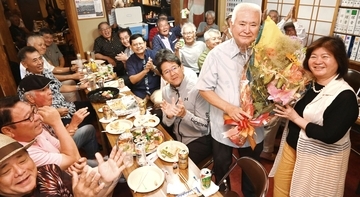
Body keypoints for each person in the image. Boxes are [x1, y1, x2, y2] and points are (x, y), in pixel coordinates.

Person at [269, 36, 358, 196]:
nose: (318, 61)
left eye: (325, 56)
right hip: (291, 148)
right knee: (281, 190)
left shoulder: (345, 96)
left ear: (339, 61)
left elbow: (329, 135)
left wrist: (295, 117)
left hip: (318, 160)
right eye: (314, 56)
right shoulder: (307, 84)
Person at [196, 3, 264, 196]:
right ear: (231, 25)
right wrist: (230, 108)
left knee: (251, 172)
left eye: (253, 24)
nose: (247, 29)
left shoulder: (264, 54)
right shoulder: (217, 54)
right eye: (242, 24)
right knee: (222, 170)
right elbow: (204, 88)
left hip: (254, 128)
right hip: (224, 127)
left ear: (260, 27)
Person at [0, 133, 126, 197]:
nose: (20, 171)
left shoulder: (49, 172)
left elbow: (91, 194)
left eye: (22, 160)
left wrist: (107, 182)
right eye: (5, 170)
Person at [19, 75, 99, 167]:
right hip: (61, 160)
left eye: (48, 88)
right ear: (30, 98)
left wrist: (68, 128)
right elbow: (61, 150)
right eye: (43, 90)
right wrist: (73, 124)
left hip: (60, 147)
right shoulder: (34, 119)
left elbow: (57, 141)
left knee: (89, 129)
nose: (50, 92)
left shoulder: (44, 109)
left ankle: (95, 160)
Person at [155, 49, 212, 165]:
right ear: (163, 77)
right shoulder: (166, 91)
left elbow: (205, 128)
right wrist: (170, 117)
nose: (172, 73)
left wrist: (185, 115)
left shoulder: (197, 89)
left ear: (182, 67)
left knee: (178, 165)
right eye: (166, 71)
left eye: (174, 68)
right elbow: (167, 123)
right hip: (178, 138)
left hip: (199, 139)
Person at [17, 46, 96, 126]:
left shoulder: (45, 72)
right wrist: (55, 111)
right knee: (86, 127)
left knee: (94, 106)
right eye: (35, 60)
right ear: (25, 64)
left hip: (67, 107)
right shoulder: (26, 85)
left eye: (40, 58)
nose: (40, 62)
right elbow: (30, 112)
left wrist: (80, 87)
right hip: (57, 118)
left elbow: (59, 87)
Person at [0, 96, 80, 170]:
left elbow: (62, 148)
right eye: (29, 117)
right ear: (8, 131)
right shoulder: (25, 154)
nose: (38, 117)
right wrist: (57, 123)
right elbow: (73, 159)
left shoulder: (35, 132)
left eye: (33, 111)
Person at [21, 34, 82, 103]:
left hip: (58, 99)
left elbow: (53, 71)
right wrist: (72, 76)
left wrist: (71, 69)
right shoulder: (29, 76)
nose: (44, 47)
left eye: (44, 45)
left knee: (73, 83)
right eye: (40, 45)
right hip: (54, 102)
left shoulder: (41, 58)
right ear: (29, 45)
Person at [126, 34, 162, 106]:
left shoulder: (154, 54)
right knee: (133, 106)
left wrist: (153, 68)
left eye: (140, 43)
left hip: (155, 89)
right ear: (131, 47)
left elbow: (163, 74)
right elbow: (132, 80)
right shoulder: (130, 61)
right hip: (139, 91)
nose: (138, 46)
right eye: (135, 44)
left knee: (159, 101)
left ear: (145, 44)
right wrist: (145, 70)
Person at [94, 22, 131, 86]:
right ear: (100, 32)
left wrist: (125, 60)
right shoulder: (98, 41)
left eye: (107, 28)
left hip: (124, 67)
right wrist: (107, 58)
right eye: (103, 29)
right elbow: (96, 54)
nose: (106, 31)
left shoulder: (118, 36)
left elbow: (129, 46)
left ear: (110, 28)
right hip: (110, 68)